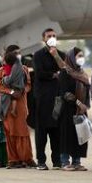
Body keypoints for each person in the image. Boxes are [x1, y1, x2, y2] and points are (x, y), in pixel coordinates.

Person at [0, 46, 34, 168]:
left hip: (20, 103)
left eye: (19, 53)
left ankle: (27, 158)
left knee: (22, 132)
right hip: (6, 105)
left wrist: (21, 91)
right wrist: (11, 92)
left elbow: (28, 85)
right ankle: (13, 160)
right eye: (15, 53)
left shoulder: (24, 69)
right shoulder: (1, 70)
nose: (18, 55)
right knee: (9, 132)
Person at [32, 28, 65, 170]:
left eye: (54, 36)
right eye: (49, 36)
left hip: (57, 98)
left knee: (56, 131)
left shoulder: (62, 55)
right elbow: (39, 73)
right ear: (43, 39)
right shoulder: (38, 55)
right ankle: (41, 160)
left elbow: (65, 71)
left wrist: (56, 56)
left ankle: (57, 161)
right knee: (41, 131)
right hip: (43, 98)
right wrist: (53, 75)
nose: (52, 38)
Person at [57, 47, 91, 171]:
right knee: (67, 135)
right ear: (71, 58)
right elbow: (65, 93)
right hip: (68, 109)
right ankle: (65, 162)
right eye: (78, 56)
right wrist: (78, 103)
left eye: (82, 56)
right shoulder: (65, 73)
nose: (81, 58)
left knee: (80, 135)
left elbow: (87, 91)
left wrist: (85, 105)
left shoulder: (83, 73)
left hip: (81, 110)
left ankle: (77, 161)